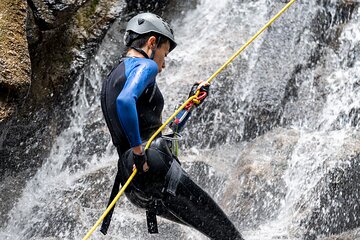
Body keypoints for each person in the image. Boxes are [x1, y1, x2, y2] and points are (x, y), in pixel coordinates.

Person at [100, 12, 244, 240]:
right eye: (164, 54)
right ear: (151, 43)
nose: (163, 64)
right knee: (228, 235)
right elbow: (125, 101)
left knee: (216, 234)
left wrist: (190, 104)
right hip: (150, 164)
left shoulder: (113, 76)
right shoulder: (144, 66)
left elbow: (156, 131)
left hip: (133, 184)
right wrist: (140, 153)